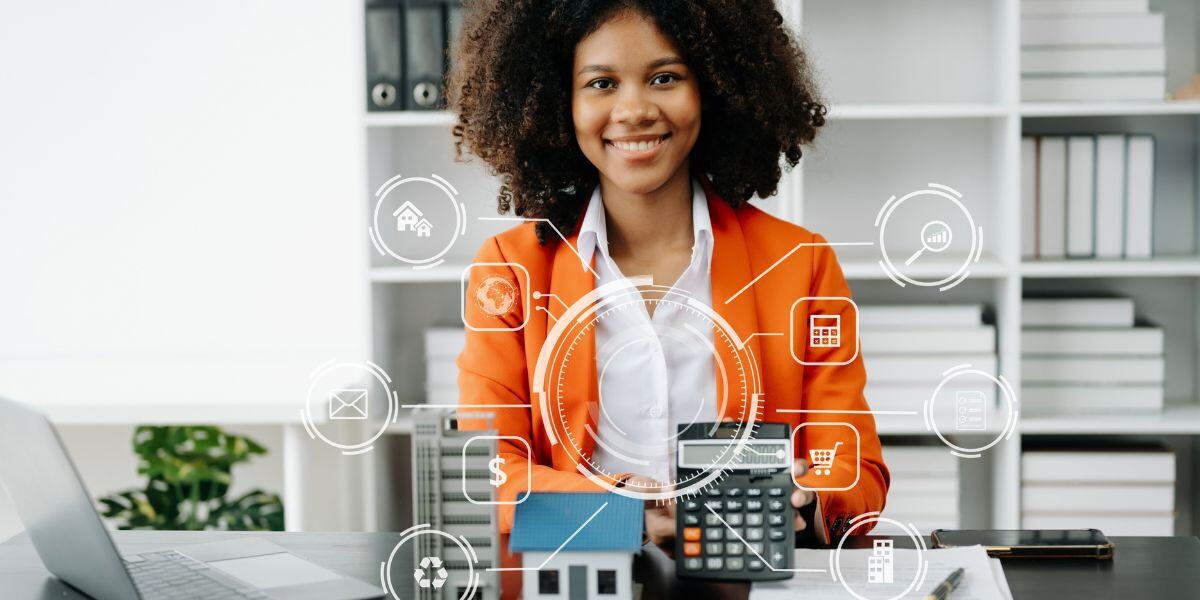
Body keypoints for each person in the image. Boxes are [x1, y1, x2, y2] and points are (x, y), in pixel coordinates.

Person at [449, 0, 889, 553]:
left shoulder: (801, 263)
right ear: (559, 104)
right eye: (601, 83)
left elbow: (854, 471)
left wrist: (804, 499)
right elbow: (488, 474)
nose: (633, 110)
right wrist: (626, 515)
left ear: (714, 89)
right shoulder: (511, 271)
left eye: (664, 77)